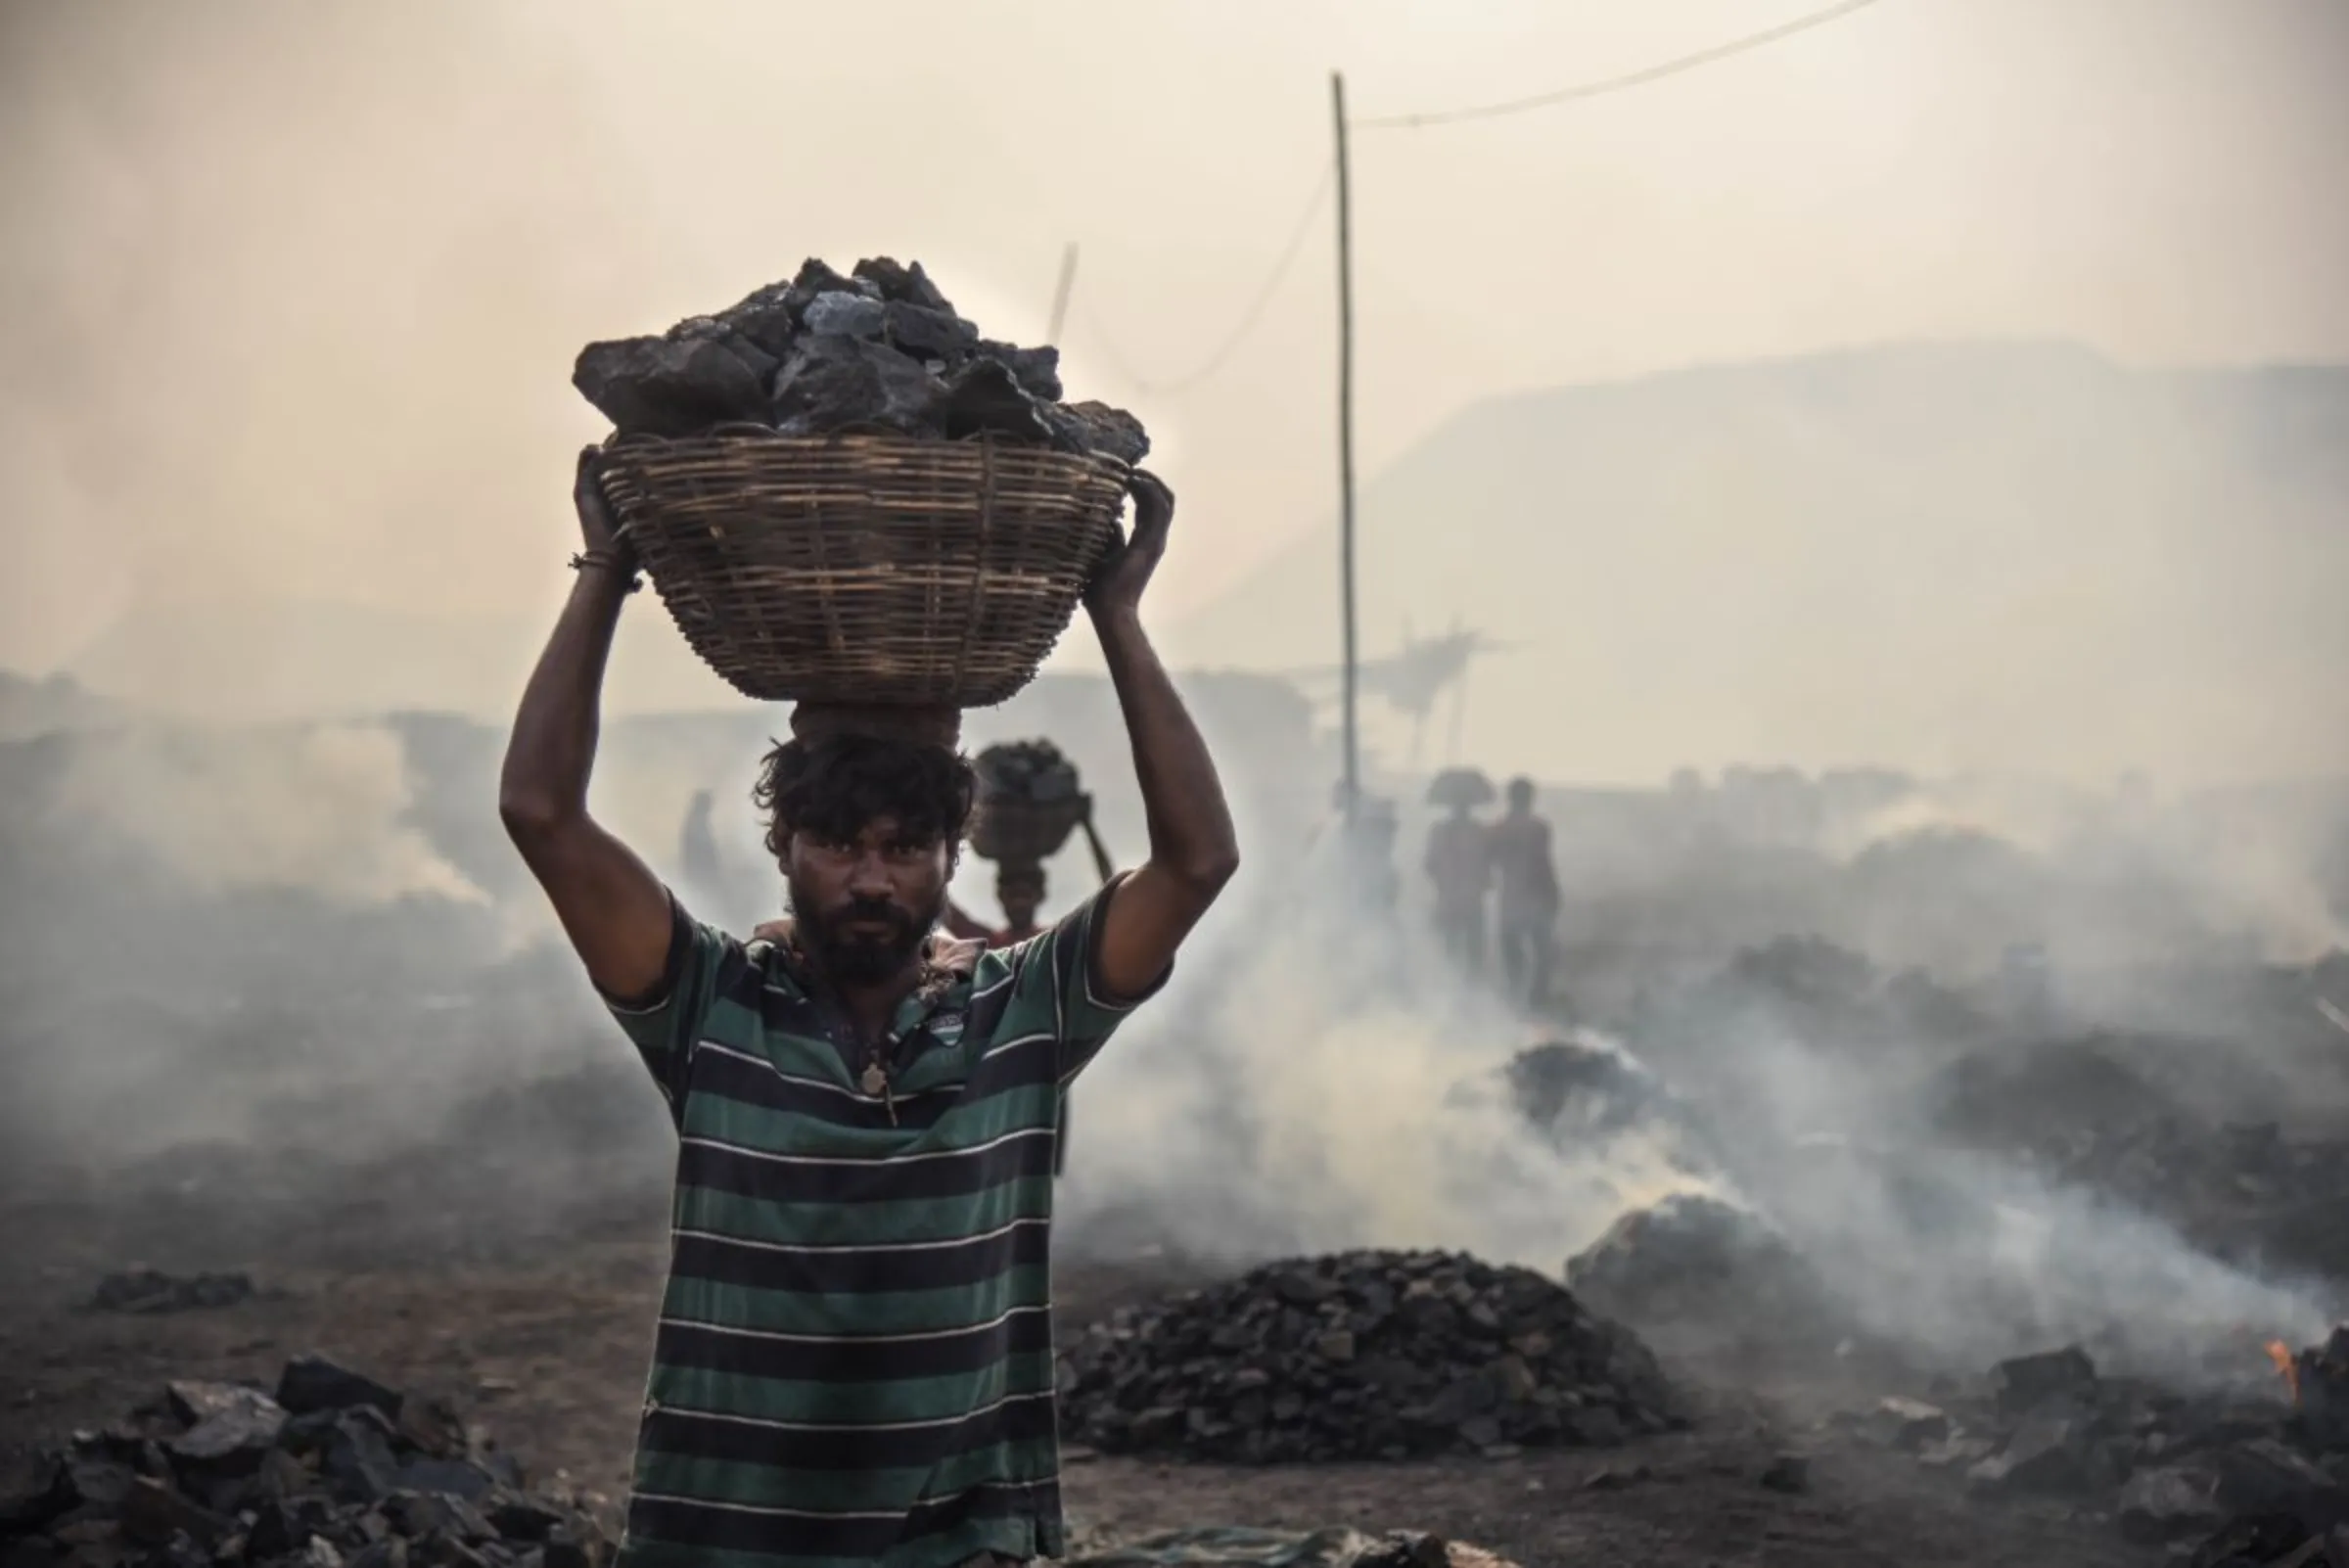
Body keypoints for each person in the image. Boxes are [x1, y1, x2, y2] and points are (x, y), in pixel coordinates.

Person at [500, 451, 1238, 1568]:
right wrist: (605, 569)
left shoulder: (1019, 1010)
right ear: (784, 848)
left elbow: (1196, 864)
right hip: (726, 1533)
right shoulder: (709, 1001)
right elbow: (541, 812)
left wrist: (1115, 613)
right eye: (838, 845)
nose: (870, 880)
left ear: (951, 856)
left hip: (955, 1539)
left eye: (902, 849)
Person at [1488, 775, 1560, 1007]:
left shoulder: (1497, 829)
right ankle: (1536, 999)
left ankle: (1515, 999)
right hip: (1536, 896)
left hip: (1510, 897)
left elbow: (1491, 863)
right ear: (1530, 798)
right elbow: (1544, 863)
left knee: (1513, 954)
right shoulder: (1539, 827)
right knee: (1542, 953)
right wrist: (1553, 893)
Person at [1423, 797, 1492, 972]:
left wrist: (1444, 881)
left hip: (1448, 900)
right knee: (1473, 955)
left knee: (1450, 952)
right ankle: (1473, 990)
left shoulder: (1439, 831)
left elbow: (1429, 865)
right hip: (1472, 900)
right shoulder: (1479, 831)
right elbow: (1487, 866)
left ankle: (1452, 990)